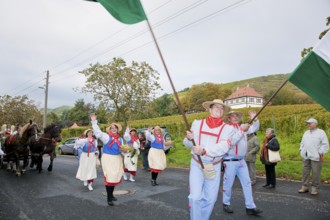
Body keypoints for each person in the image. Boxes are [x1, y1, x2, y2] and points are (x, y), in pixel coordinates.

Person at [183, 99, 250, 220]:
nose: (219, 109)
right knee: (195, 197)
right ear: (210, 108)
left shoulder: (227, 129)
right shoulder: (197, 123)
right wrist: (188, 139)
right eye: (216, 107)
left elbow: (224, 147)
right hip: (197, 164)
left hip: (214, 165)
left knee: (211, 199)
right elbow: (188, 144)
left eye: (221, 107)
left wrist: (205, 151)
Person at [221, 110, 262, 216]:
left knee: (247, 183)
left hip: (241, 160)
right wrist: (242, 130)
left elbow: (254, 128)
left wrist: (255, 119)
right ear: (229, 118)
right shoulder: (226, 129)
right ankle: (226, 203)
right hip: (230, 160)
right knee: (228, 183)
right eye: (232, 116)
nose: (235, 117)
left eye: (237, 116)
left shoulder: (242, 127)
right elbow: (232, 141)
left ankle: (250, 206)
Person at [90, 113, 124, 206]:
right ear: (110, 129)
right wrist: (94, 121)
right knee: (109, 177)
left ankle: (111, 195)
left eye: (115, 128)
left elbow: (122, 149)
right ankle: (109, 198)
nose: (114, 129)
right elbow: (97, 133)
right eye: (112, 128)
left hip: (117, 158)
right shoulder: (107, 137)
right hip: (108, 158)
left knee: (115, 176)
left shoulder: (120, 139)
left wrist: (126, 151)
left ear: (117, 129)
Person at [298, 118, 329, 195]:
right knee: (305, 172)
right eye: (308, 123)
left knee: (316, 173)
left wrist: (320, 152)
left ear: (315, 124)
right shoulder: (306, 133)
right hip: (306, 156)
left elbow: (325, 144)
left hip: (316, 157)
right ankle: (304, 187)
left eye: (310, 123)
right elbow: (302, 142)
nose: (308, 125)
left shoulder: (321, 133)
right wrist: (301, 149)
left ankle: (314, 188)